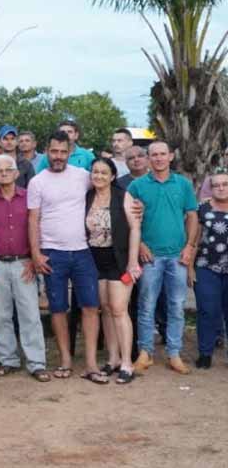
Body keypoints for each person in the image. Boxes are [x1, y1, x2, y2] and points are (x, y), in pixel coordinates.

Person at [28, 131, 105, 383]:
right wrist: (36, 253)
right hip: (51, 253)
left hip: (83, 251)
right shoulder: (37, 182)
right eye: (54, 151)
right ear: (46, 151)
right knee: (58, 308)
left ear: (70, 152)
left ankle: (91, 363)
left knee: (91, 307)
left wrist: (133, 205)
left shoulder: (83, 177)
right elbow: (33, 219)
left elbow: (107, 191)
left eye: (63, 152)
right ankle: (65, 360)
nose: (58, 156)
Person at [127, 141, 198, 375]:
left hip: (177, 256)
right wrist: (141, 246)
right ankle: (145, 353)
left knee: (176, 306)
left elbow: (192, 217)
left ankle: (174, 353)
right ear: (148, 158)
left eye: (162, 154)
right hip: (150, 257)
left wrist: (189, 246)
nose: (158, 158)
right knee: (146, 305)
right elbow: (131, 221)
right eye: (153, 155)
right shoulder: (137, 186)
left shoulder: (183, 184)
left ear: (171, 156)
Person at [0, 154, 49, 381]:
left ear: (17, 173)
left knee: (30, 314)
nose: (3, 174)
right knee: (1, 315)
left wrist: (33, 258)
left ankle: (36, 362)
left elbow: (38, 228)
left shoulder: (30, 197)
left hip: (23, 263)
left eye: (8, 170)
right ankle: (7, 359)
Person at [85, 158, 141, 384]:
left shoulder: (123, 196)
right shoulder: (88, 197)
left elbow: (135, 228)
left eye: (103, 173)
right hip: (95, 260)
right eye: (95, 172)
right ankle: (113, 358)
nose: (98, 176)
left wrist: (132, 261)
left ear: (113, 176)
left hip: (119, 259)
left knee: (119, 309)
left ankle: (128, 362)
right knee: (106, 309)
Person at [194, 168, 228, 369]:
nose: (221, 188)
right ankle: (205, 353)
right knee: (207, 310)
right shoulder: (202, 209)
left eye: (225, 184)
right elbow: (194, 239)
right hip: (206, 267)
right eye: (216, 185)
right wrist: (189, 267)